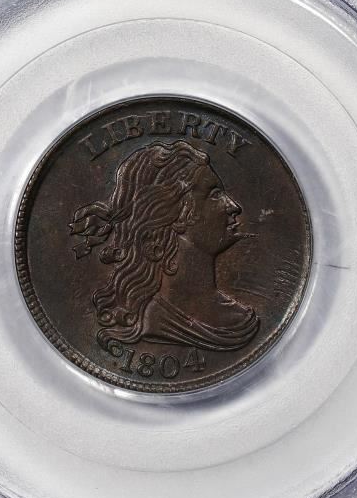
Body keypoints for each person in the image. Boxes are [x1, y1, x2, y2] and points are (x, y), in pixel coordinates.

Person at [70, 140, 260, 352]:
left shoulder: (240, 318)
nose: (234, 206)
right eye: (214, 194)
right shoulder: (153, 322)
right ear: (177, 213)